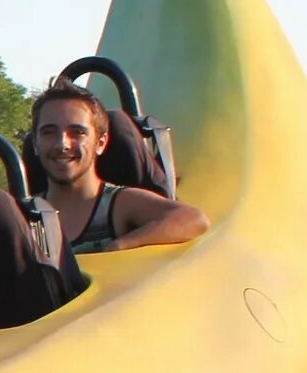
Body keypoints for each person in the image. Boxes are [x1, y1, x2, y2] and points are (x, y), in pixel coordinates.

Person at [30, 79, 209, 259]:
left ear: (100, 143)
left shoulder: (118, 204)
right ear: (35, 144)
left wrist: (121, 246)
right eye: (49, 132)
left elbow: (192, 219)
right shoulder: (25, 215)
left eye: (78, 132)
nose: (62, 144)